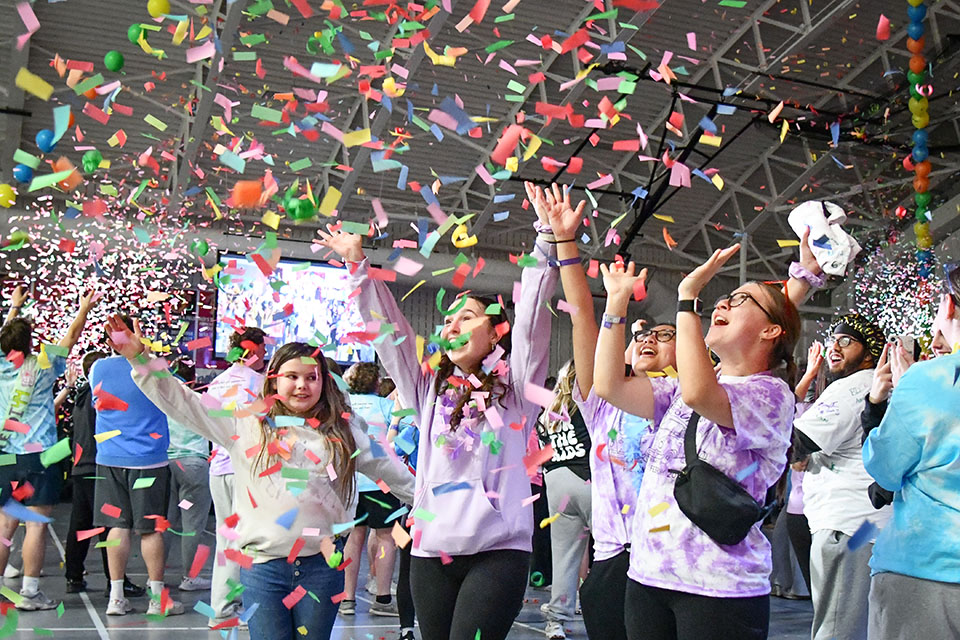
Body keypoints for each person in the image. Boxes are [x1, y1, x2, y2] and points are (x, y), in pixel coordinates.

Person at [318, 182, 559, 640]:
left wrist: (546, 240)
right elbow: (389, 335)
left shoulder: (515, 387)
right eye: (448, 320)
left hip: (498, 550)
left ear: (495, 335)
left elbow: (532, 321)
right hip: (431, 552)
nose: (452, 325)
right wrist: (357, 267)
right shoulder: (427, 389)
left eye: (467, 317)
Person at [104, 317, 414, 640]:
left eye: (311, 377)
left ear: (323, 382)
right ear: (273, 380)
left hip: (322, 569)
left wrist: (430, 503)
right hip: (263, 569)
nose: (301, 385)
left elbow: (393, 472)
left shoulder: (345, 433)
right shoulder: (245, 425)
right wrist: (139, 358)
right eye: (291, 376)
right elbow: (185, 403)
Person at [593, 244, 800, 640]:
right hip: (649, 575)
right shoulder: (678, 390)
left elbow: (700, 395)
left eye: (740, 300)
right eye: (724, 298)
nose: (724, 303)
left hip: (720, 587)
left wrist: (687, 299)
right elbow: (609, 385)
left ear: (771, 330)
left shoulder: (772, 395)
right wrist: (616, 304)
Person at [540, 180, 675, 640]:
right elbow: (582, 314)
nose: (649, 339)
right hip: (616, 555)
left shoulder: (686, 399)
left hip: (676, 558)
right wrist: (565, 243)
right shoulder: (602, 399)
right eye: (642, 336)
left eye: (664, 335)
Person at [862, 271, 960, 640]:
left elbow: (885, 470)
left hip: (928, 568)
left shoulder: (930, 379)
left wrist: (902, 398)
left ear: (948, 306)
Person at [792, 313, 890, 640]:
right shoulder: (885, 387)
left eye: (846, 341)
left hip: (845, 528)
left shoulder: (851, 387)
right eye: (833, 339)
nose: (834, 347)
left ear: (869, 353)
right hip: (871, 527)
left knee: (836, 629)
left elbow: (797, 443)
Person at [0, 285, 96, 611]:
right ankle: (28, 592)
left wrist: (13, 308)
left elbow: (5, 337)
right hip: (38, 457)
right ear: (30, 343)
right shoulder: (42, 365)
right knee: (36, 525)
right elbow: (72, 334)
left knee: (4, 527)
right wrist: (83, 307)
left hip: (6, 457)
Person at [90, 314, 183, 617]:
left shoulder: (97, 367)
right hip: (149, 461)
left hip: (109, 460)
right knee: (150, 530)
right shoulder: (155, 368)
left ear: (108, 340)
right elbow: (176, 395)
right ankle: (157, 599)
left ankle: (116, 598)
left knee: (116, 527)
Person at [63, 350, 146, 599]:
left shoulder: (80, 396)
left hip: (80, 466)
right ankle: (114, 579)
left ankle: (74, 575)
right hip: (96, 465)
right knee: (109, 523)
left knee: (81, 523)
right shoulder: (96, 397)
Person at [204, 325, 267, 626]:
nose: (266, 355)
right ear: (252, 351)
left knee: (225, 539)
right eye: (264, 349)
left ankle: (221, 607)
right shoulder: (260, 382)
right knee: (252, 539)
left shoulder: (216, 383)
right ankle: (239, 607)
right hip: (247, 470)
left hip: (218, 469)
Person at [340, 362, 403, 618]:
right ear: (376, 382)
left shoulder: (346, 408)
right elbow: (399, 439)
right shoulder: (386, 407)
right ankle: (383, 597)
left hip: (351, 482)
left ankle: (347, 599)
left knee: (354, 537)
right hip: (381, 482)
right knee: (387, 537)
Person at [536, 362, 592, 640]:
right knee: (613, 551)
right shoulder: (587, 403)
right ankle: (602, 607)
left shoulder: (547, 412)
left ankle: (555, 622)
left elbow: (540, 454)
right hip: (588, 479)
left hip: (555, 482)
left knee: (564, 557)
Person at [163, 357, 214, 592]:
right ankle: (189, 577)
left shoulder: (162, 402)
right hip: (194, 466)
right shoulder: (199, 401)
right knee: (192, 523)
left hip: (166, 464)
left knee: (166, 523)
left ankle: (156, 577)